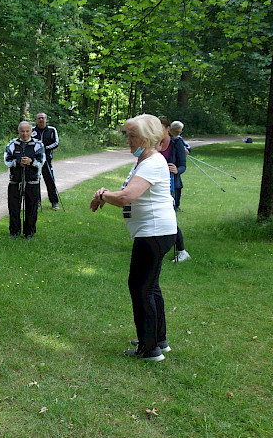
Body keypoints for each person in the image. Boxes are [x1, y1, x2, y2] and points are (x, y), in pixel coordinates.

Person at [90, 113, 177, 362]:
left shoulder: (152, 162)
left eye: (132, 136)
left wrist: (103, 194)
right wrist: (106, 194)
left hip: (153, 233)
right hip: (155, 232)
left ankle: (149, 349)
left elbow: (127, 197)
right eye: (127, 135)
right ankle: (158, 339)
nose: (127, 141)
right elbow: (126, 194)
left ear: (147, 137)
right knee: (151, 287)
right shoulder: (145, 160)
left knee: (140, 288)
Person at [4, 121, 45, 238]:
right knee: (13, 208)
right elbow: (7, 160)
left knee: (31, 208)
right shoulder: (12, 144)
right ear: (19, 132)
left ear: (31, 132)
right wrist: (17, 163)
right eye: (22, 131)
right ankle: (14, 232)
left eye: (27, 131)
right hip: (15, 182)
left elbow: (42, 160)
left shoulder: (38, 145)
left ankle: (29, 232)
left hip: (32, 182)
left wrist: (31, 162)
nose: (25, 134)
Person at [159, 116, 191, 262]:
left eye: (160, 128)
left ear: (168, 129)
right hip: (157, 183)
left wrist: (177, 169)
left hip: (173, 185)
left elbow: (183, 165)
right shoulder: (153, 143)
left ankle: (182, 251)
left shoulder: (177, 143)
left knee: (170, 217)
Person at [32, 112, 61, 210]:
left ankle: (54, 202)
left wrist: (45, 148)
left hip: (47, 160)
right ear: (36, 120)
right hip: (35, 160)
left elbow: (56, 143)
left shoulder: (52, 130)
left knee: (50, 180)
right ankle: (37, 202)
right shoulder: (32, 130)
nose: (41, 120)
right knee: (35, 181)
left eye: (42, 118)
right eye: (39, 118)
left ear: (46, 119)